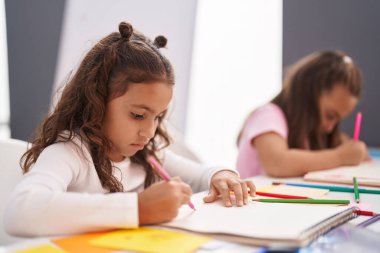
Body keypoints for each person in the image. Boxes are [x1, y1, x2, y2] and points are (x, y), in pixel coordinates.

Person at [5, 21, 255, 237]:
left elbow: (200, 175)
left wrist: (222, 176)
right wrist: (138, 208)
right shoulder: (71, 153)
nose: (149, 132)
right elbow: (21, 210)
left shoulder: (147, 155)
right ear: (97, 101)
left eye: (158, 117)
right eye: (138, 115)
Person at [236, 51, 368, 178]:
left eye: (337, 120)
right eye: (330, 116)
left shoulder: (306, 134)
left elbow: (341, 142)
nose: (329, 128)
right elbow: (277, 163)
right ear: (308, 96)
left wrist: (351, 149)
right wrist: (341, 156)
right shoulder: (268, 115)